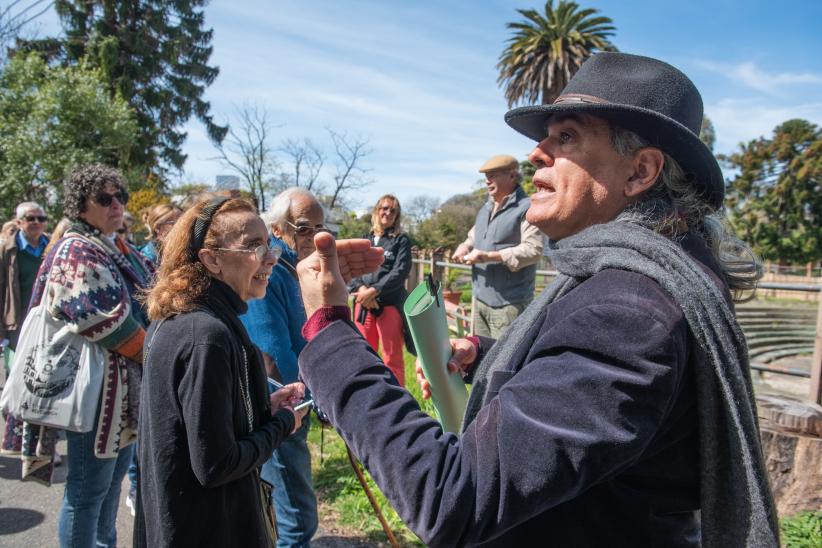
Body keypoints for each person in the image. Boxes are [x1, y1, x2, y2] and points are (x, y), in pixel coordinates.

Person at [294, 53, 779, 547]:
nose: (536, 154)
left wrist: (329, 328)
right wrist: (486, 357)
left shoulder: (630, 312)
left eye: (565, 136)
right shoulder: (634, 280)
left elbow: (448, 496)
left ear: (640, 172)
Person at [135, 197, 312, 548]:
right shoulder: (207, 335)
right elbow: (216, 464)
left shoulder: (179, 319)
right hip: (208, 529)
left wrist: (264, 406)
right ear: (211, 259)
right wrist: (282, 424)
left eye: (269, 244)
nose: (271, 257)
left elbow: (197, 427)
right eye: (253, 246)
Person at [21, 165, 153, 546]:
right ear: (80, 206)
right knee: (86, 495)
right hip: (96, 396)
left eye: (120, 197)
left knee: (109, 492)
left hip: (122, 393)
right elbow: (99, 319)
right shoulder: (77, 248)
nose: (116, 205)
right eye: (104, 198)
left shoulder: (116, 247)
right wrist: (157, 353)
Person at [241, 187, 324, 547]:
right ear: (278, 229)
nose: (316, 237)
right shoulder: (271, 272)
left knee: (289, 515)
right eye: (305, 227)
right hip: (284, 407)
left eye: (322, 228)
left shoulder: (296, 270)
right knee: (297, 519)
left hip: (296, 403)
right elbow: (272, 355)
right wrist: (311, 398)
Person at [452, 155, 543, 338]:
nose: (487, 181)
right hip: (480, 301)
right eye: (486, 176)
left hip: (509, 304)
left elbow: (534, 250)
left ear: (511, 176)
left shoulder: (528, 208)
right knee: (480, 358)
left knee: (503, 361)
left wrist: (489, 256)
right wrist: (464, 246)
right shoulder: (485, 208)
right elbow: (474, 236)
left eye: (492, 175)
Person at [0, 202, 50, 454]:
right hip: (16, 326)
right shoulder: (6, 251)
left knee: (43, 383)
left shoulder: (52, 247)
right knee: (17, 383)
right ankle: (15, 438)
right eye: (31, 218)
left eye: (41, 218)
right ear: (19, 222)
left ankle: (36, 444)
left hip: (45, 327)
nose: (37, 222)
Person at [348, 194, 412, 386]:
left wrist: (374, 291)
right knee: (364, 356)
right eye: (385, 208)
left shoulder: (401, 240)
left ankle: (399, 401)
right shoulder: (364, 239)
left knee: (392, 358)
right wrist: (361, 289)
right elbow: (353, 267)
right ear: (377, 210)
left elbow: (400, 271)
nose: (388, 213)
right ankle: (369, 396)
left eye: (393, 210)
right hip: (363, 306)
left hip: (389, 305)